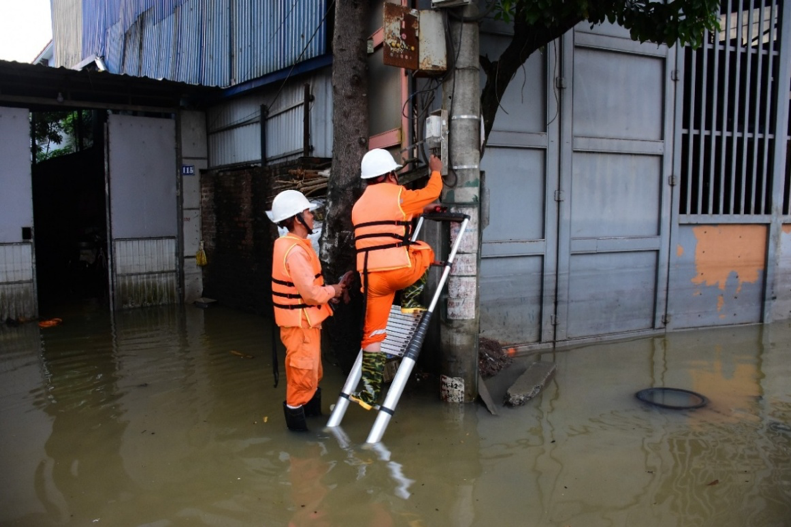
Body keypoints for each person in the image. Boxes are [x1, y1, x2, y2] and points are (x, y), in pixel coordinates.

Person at [350, 149, 443, 409]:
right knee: (423, 250)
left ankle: (369, 394)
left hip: (370, 280)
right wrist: (435, 170)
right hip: (399, 273)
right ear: (389, 175)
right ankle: (411, 301)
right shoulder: (398, 194)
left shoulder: (358, 206)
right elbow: (431, 192)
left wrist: (420, 210)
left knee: (373, 336)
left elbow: (386, 221)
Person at [267, 190, 347, 431]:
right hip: (300, 325)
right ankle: (301, 442)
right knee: (302, 378)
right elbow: (310, 293)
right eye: (308, 212)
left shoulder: (293, 245)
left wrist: (328, 295)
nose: (313, 216)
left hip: (304, 323)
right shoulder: (295, 251)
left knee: (311, 374)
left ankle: (313, 421)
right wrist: (333, 290)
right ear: (296, 219)